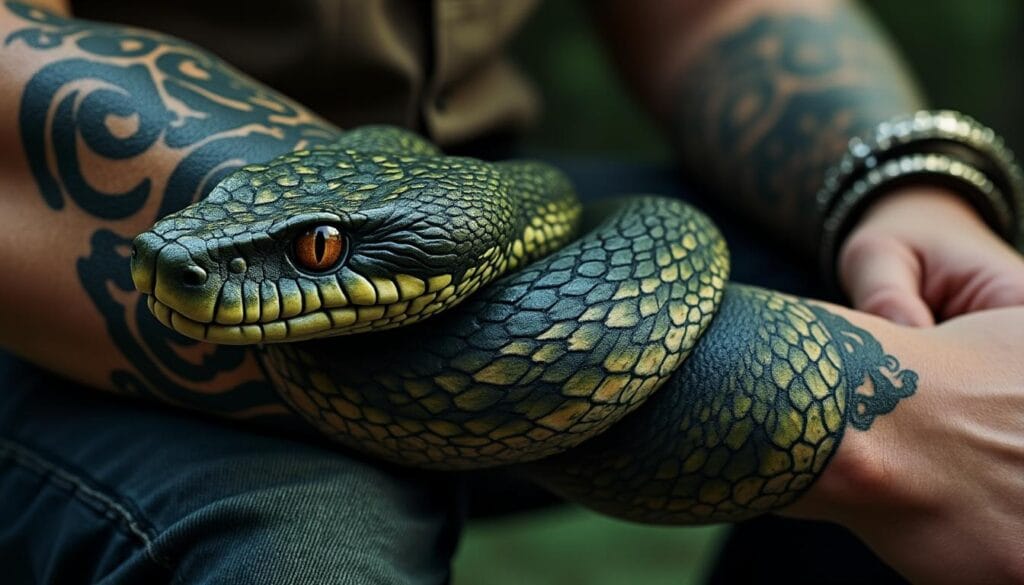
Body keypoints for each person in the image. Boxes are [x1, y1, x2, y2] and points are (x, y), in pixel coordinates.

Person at [1, 0, 1023, 583]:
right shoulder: (216, 258)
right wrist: (864, 414)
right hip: (56, 283)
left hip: (450, 193)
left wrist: (899, 191)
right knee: (306, 553)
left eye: (312, 253)